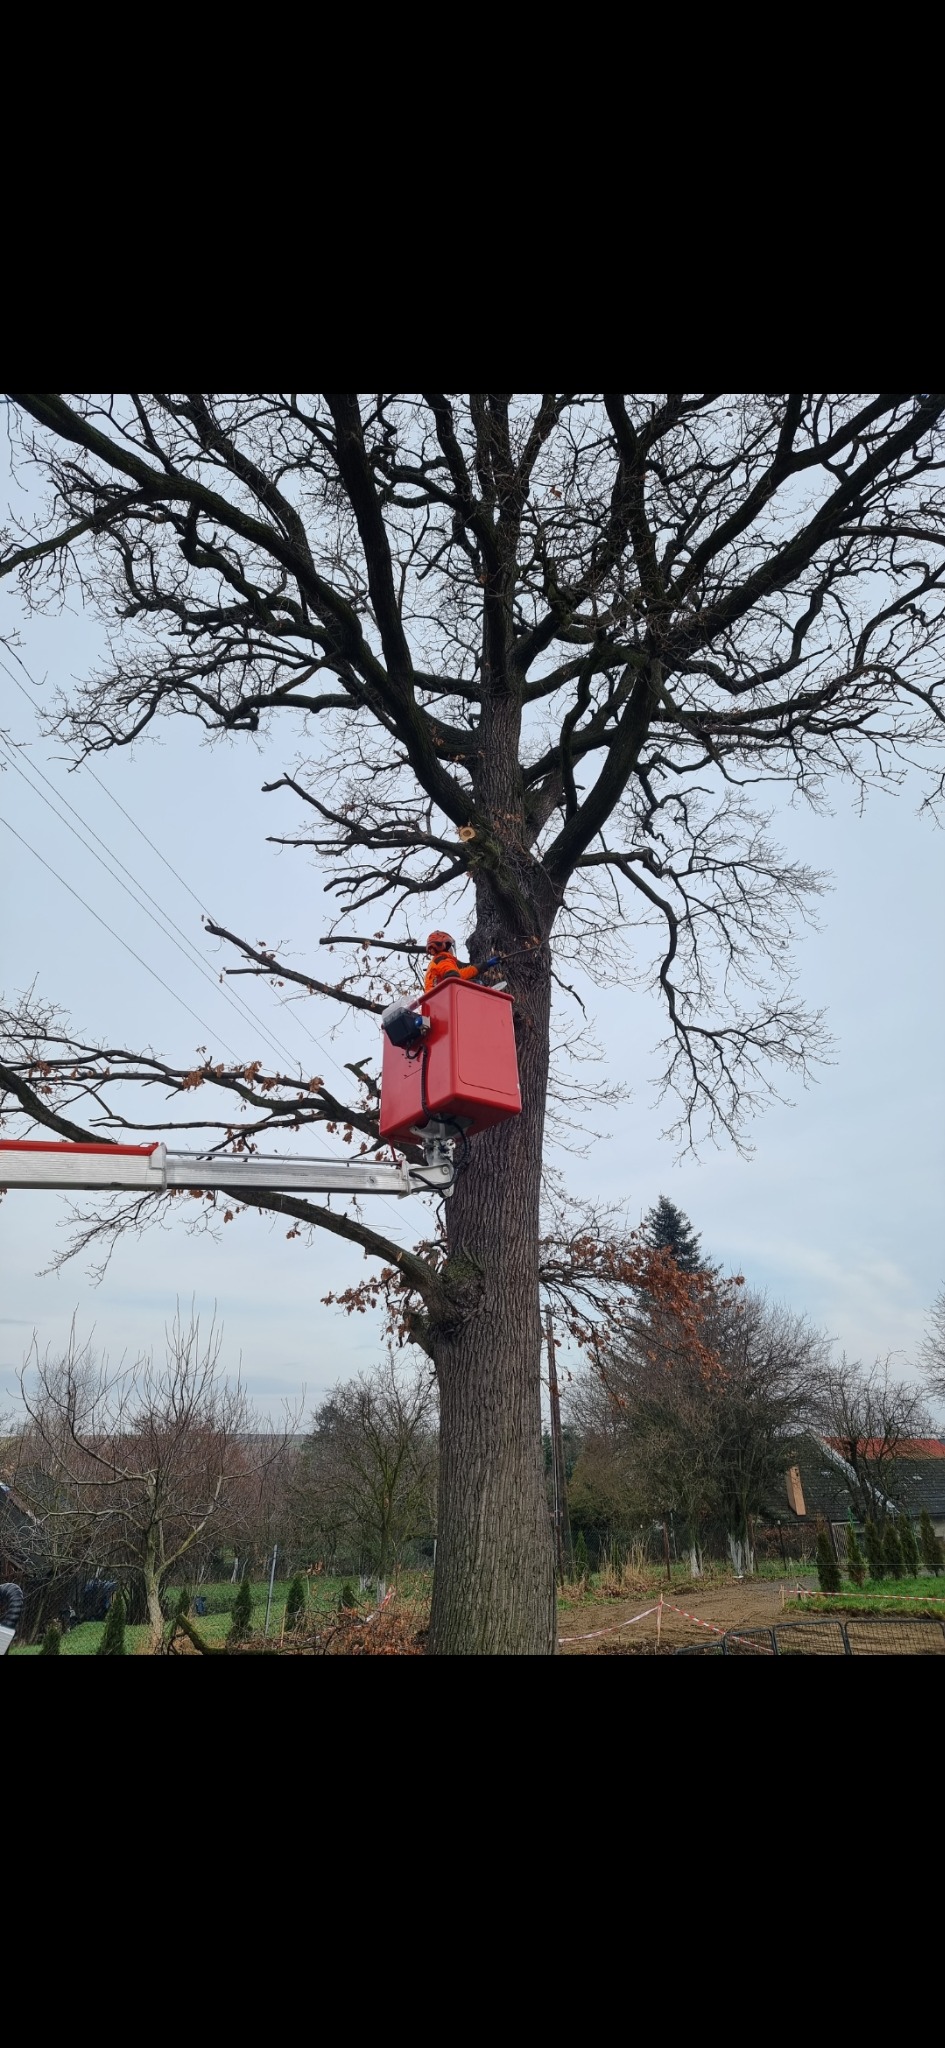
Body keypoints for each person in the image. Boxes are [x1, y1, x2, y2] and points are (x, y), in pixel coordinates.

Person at [423, 931, 499, 995]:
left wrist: (484, 965)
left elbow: (461, 973)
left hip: (435, 999)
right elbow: (454, 977)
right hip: (441, 998)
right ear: (446, 946)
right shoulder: (444, 961)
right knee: (476, 983)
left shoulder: (437, 962)